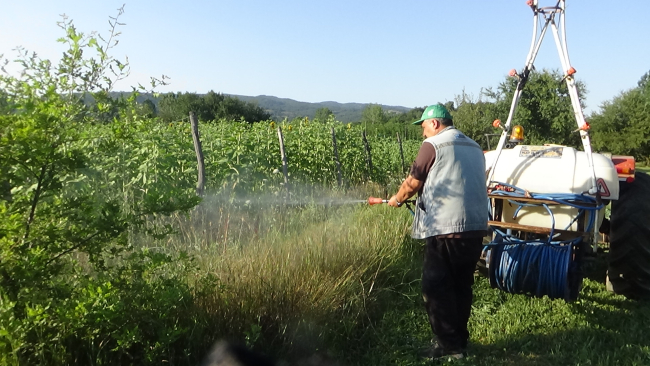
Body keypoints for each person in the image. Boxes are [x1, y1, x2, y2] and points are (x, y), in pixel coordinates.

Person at [388, 104, 488, 360]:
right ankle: (459, 340)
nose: (423, 134)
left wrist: (397, 199)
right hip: (476, 228)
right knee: (461, 285)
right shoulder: (475, 146)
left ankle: (448, 347)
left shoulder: (433, 145)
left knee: (435, 287)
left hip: (446, 229)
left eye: (423, 127)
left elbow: (413, 182)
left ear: (434, 123)